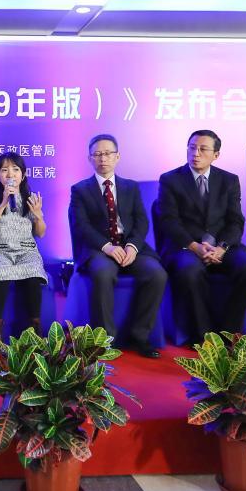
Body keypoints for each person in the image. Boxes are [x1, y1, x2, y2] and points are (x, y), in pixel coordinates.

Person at [157, 130, 246, 344]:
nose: (195, 153)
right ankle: (204, 337)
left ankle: (228, 332)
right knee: (190, 271)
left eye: (203, 149)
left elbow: (235, 221)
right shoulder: (170, 180)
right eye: (192, 148)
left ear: (216, 155)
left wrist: (222, 248)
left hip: (221, 246)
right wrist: (194, 246)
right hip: (185, 246)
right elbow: (169, 221)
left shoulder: (229, 180)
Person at [69, 134, 167, 358]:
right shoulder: (80, 190)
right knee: (103, 273)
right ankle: (105, 341)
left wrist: (132, 246)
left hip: (130, 247)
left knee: (157, 274)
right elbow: (81, 225)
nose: (103, 158)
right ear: (90, 158)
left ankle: (140, 336)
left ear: (117, 156)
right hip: (98, 249)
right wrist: (107, 247)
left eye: (107, 153)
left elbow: (141, 221)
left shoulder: (130, 187)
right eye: (97, 154)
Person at [0, 152, 48, 348]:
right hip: (0, 251)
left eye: (15, 170)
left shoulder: (31, 198)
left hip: (27, 251)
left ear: (23, 175)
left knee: (33, 273)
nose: (10, 174)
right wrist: (2, 203)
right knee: (0, 273)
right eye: (5, 170)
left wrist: (38, 216)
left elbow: (41, 233)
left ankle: (35, 331)